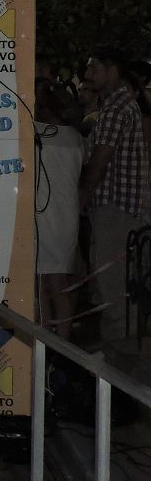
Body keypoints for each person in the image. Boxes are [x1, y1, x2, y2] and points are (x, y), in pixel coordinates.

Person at [80, 46, 148, 358]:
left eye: (93, 68)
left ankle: (121, 357)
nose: (87, 75)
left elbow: (100, 161)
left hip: (115, 209)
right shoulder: (118, 105)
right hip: (120, 209)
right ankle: (119, 347)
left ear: (112, 70)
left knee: (112, 285)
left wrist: (81, 198)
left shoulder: (116, 109)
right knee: (116, 283)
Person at [34, 79, 84, 341]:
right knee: (57, 282)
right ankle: (60, 339)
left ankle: (48, 340)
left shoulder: (38, 134)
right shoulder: (75, 138)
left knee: (45, 283)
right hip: (67, 217)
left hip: (45, 218)